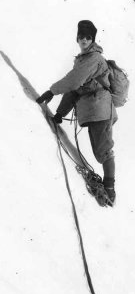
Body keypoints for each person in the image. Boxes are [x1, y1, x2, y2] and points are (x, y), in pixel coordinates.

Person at [36, 20, 117, 205]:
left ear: (93, 39)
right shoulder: (83, 58)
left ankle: (110, 190)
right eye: (81, 36)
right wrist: (59, 113)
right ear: (77, 38)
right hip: (94, 109)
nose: (84, 40)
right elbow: (75, 90)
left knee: (103, 150)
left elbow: (73, 82)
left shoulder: (93, 59)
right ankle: (108, 188)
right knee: (101, 150)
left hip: (101, 109)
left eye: (88, 37)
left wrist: (51, 91)